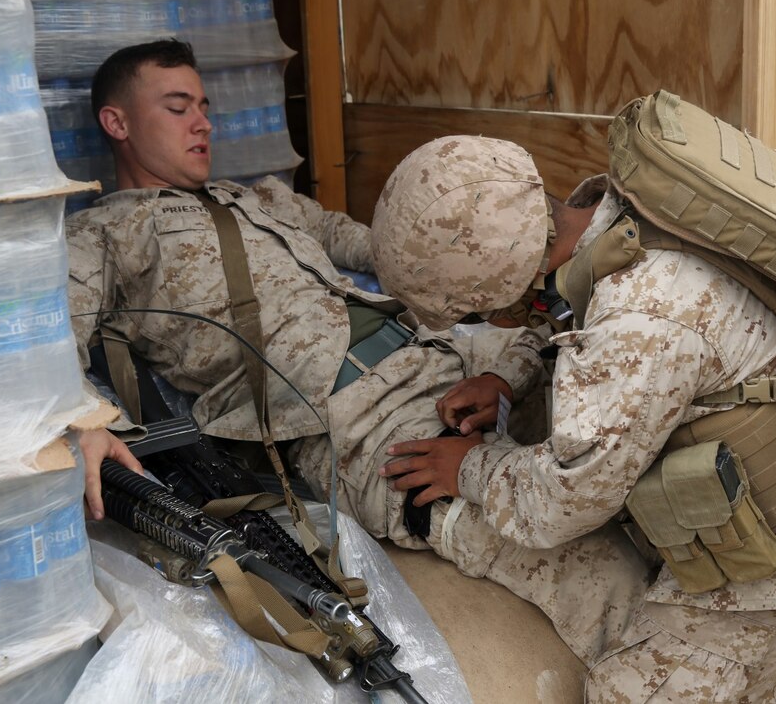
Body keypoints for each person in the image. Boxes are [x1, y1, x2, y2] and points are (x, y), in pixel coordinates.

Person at [68, 39, 649, 667]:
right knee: (601, 570)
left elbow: (376, 247)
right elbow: (52, 347)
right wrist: (85, 425)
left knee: (613, 378)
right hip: (354, 420)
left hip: (442, 357)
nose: (204, 122)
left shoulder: (260, 199)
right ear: (117, 122)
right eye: (178, 107)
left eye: (205, 105)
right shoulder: (104, 234)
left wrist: (492, 259)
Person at [370, 133, 776, 702]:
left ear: (504, 282)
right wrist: (511, 374)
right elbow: (577, 314)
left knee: (630, 691)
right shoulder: (627, 207)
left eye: (482, 310)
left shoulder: (641, 318)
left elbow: (563, 501)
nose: (488, 322)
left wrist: (472, 467)